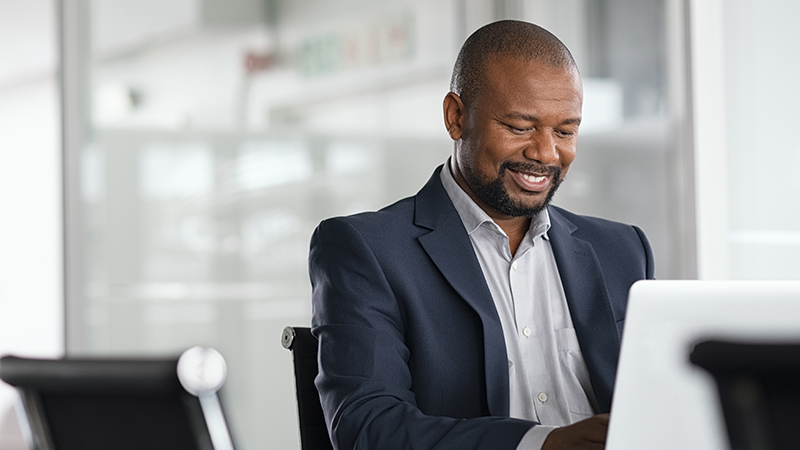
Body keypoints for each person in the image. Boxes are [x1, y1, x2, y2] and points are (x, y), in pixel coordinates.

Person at [309, 20, 654, 450]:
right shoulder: (367, 250)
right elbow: (369, 428)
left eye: (565, 131)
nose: (546, 154)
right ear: (456, 118)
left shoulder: (622, 250)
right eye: (519, 127)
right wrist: (542, 444)